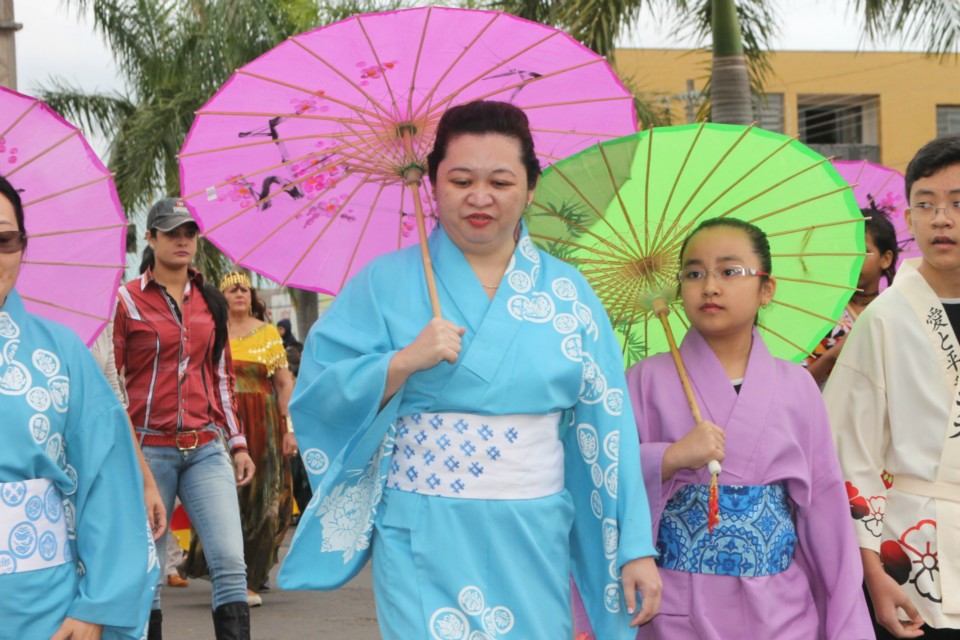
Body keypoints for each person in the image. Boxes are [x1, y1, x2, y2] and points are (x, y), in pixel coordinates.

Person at [278, 100, 661, 639]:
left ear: (531, 188)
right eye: (461, 180)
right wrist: (401, 363)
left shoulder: (569, 293)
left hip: (532, 529)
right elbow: (320, 391)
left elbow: (608, 426)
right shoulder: (382, 283)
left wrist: (634, 547)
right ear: (433, 184)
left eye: (501, 182)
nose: (480, 197)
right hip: (421, 529)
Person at [627, 218, 872, 638]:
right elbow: (602, 481)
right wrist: (667, 459)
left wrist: (848, 620)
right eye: (694, 272)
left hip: (780, 608)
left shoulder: (797, 386)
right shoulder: (643, 379)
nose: (709, 286)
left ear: (767, 288)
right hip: (674, 608)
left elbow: (825, 510)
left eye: (729, 271)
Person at [0, 175, 156, 638]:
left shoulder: (63, 354)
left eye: (3, 238)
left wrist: (96, 606)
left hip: (40, 603)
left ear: (23, 247)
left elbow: (108, 477)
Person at [825, 135, 960, 638]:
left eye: (957, 203)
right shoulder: (882, 320)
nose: (941, 218)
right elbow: (849, 457)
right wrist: (873, 573)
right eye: (926, 204)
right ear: (908, 218)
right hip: (911, 553)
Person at [113, 198, 255, 639]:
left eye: (189, 232)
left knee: (231, 562)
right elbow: (111, 382)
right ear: (151, 238)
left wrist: (238, 442)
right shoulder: (125, 301)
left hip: (205, 450)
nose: (182, 240)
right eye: (171, 231)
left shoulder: (210, 301)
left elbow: (220, 376)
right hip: (146, 452)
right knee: (149, 571)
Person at [186, 271, 296, 608]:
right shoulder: (212, 331)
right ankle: (230, 573)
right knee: (223, 497)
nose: (240, 294)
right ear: (221, 296)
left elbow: (282, 383)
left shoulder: (266, 333)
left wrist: (289, 427)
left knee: (266, 499)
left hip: (264, 425)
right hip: (221, 423)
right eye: (232, 289)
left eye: (245, 289)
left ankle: (251, 574)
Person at [805, 207, 899, 387]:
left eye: (863, 251)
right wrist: (833, 354)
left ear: (886, 259)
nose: (854, 258)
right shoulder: (821, 312)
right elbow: (799, 386)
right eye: (849, 250)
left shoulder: (894, 314)